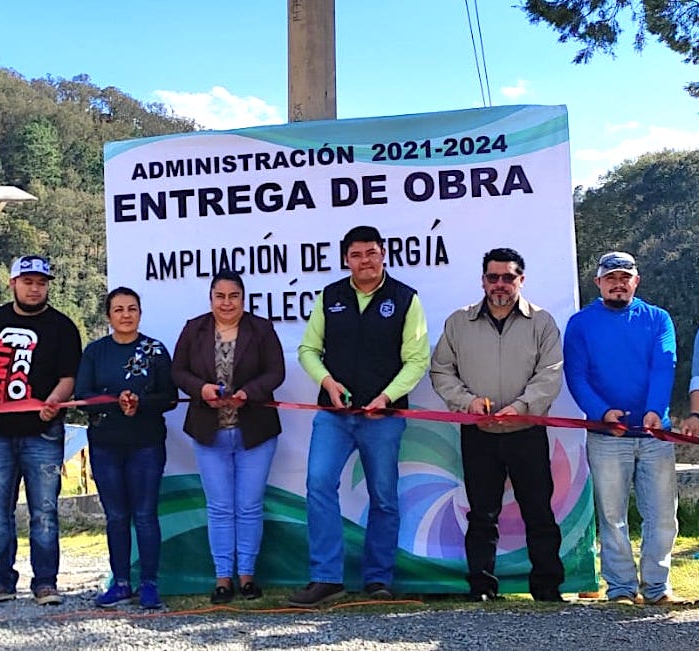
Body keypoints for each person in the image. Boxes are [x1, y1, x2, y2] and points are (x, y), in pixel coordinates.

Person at [289, 225, 429, 607]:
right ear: (346, 259)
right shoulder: (330, 296)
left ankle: (378, 579)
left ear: (383, 253)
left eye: (371, 252)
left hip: (383, 416)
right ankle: (326, 578)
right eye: (356, 254)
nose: (364, 261)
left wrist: (388, 396)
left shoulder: (405, 299)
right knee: (318, 485)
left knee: (383, 496)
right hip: (333, 414)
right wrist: (328, 382)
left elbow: (417, 360)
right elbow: (307, 349)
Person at [430, 248, 565, 602]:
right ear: (483, 281)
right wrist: (466, 402)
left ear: (521, 280)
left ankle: (547, 588)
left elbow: (550, 375)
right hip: (479, 433)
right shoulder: (459, 322)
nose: (500, 285)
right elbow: (441, 370)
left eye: (508, 277)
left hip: (527, 432)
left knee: (538, 511)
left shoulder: (542, 322)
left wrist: (522, 407)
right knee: (481, 513)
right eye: (493, 277)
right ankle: (481, 587)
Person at [564, 251, 683, 606]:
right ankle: (620, 588)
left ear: (636, 281)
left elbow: (665, 365)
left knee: (662, 516)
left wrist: (654, 410)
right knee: (612, 516)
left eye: (624, 277)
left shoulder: (659, 319)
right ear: (598, 282)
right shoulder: (580, 323)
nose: (618, 283)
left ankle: (658, 588)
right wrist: (601, 412)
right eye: (610, 277)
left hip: (654, 435)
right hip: (606, 436)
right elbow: (576, 375)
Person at [0, 255, 82, 606]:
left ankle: (46, 582)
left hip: (43, 433)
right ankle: (1, 580)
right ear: (13, 283)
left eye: (41, 282)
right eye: (28, 281)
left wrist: (53, 401)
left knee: (44, 510)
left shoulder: (63, 327)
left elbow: (69, 378)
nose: (35, 288)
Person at [172, 269, 285, 604]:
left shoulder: (261, 329)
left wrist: (249, 392)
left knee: (249, 506)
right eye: (219, 296)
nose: (226, 302)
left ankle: (247, 577)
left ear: (243, 298)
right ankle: (223, 578)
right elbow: (178, 371)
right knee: (220, 508)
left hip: (255, 433)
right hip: (210, 433)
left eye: (233, 296)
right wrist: (201, 389)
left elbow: (276, 372)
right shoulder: (195, 328)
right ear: (211, 298)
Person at [75, 287, 177, 609]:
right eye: (118, 309)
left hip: (146, 444)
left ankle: (149, 584)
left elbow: (170, 397)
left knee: (145, 515)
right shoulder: (94, 352)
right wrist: (114, 401)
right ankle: (120, 583)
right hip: (106, 445)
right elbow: (82, 397)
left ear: (140, 313)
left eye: (132, 308)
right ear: (108, 315)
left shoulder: (155, 350)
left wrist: (140, 403)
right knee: (116, 516)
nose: (125, 315)